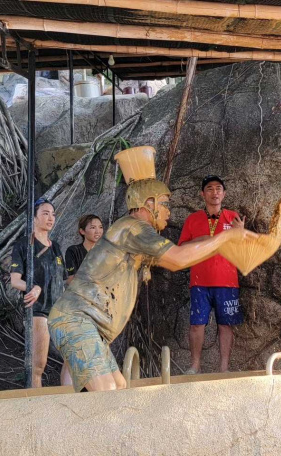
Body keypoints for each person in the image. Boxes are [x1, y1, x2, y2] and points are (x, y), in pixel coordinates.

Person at [48, 151, 256, 392]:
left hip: (90, 327)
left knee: (119, 386)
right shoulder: (133, 228)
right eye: (165, 204)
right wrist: (225, 237)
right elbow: (178, 258)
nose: (169, 211)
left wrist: (227, 243)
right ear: (150, 204)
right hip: (76, 320)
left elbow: (181, 256)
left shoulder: (133, 231)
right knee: (105, 396)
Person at [178, 175, 245, 374]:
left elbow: (243, 253)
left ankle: (224, 367)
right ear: (202, 194)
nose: (214, 192)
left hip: (228, 281)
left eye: (218, 189)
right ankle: (195, 365)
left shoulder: (234, 217)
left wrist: (241, 234)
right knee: (197, 325)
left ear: (224, 193)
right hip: (199, 281)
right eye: (209, 188)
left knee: (226, 325)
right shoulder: (192, 219)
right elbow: (181, 248)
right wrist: (203, 239)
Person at [10, 197, 68, 388]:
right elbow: (15, 280)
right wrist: (33, 287)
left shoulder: (56, 247)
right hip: (39, 309)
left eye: (53, 214)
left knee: (73, 358)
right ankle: (37, 405)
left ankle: (72, 400)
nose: (50, 218)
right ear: (34, 218)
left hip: (60, 309)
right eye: (45, 214)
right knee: (38, 365)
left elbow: (64, 279)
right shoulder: (24, 245)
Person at [65, 214, 104, 284]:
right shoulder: (73, 251)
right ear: (82, 231)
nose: (98, 231)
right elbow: (70, 280)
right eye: (93, 228)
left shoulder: (106, 252)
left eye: (100, 227)